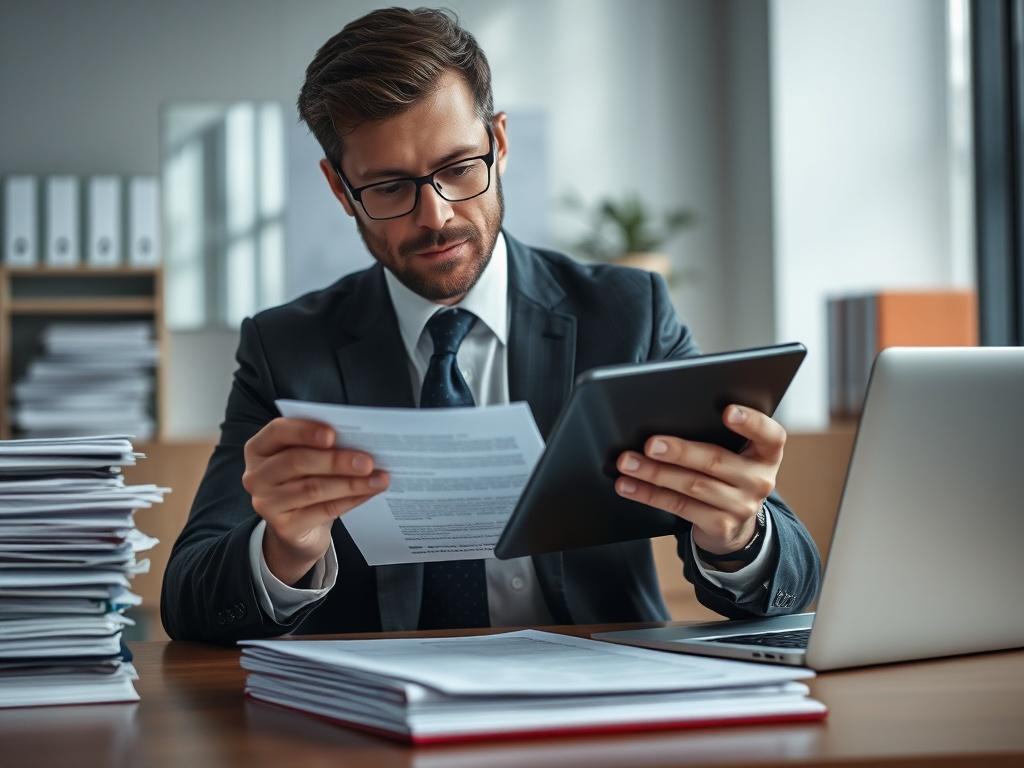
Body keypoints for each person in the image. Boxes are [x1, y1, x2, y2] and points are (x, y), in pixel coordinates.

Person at [161, 7, 820, 643]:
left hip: (596, 697)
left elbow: (791, 579)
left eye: (457, 169)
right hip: (373, 727)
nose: (437, 216)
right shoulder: (285, 349)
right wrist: (283, 549)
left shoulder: (629, 314)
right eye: (390, 188)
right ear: (340, 189)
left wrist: (737, 534)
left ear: (499, 144)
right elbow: (188, 600)